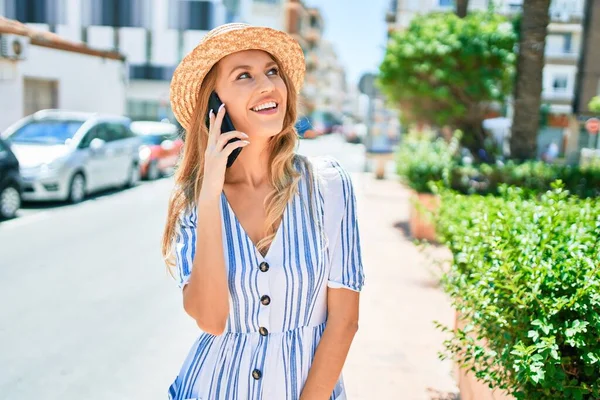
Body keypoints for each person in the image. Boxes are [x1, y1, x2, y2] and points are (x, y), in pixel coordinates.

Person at [162, 23, 365, 400]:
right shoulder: (194, 201)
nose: (268, 84)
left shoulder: (327, 185)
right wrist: (210, 195)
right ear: (215, 104)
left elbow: (344, 320)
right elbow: (211, 319)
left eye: (273, 71)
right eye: (245, 75)